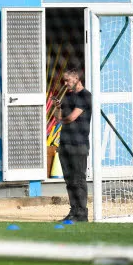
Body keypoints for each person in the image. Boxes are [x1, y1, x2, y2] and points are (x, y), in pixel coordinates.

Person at [54, 68, 92, 222]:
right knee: (69, 180)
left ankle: (82, 213)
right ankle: (73, 211)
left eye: (67, 80)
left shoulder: (85, 95)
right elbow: (58, 118)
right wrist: (58, 107)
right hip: (65, 143)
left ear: (76, 79)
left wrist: (62, 120)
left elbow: (71, 118)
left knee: (78, 179)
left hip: (79, 144)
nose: (65, 83)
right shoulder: (67, 96)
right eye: (64, 80)